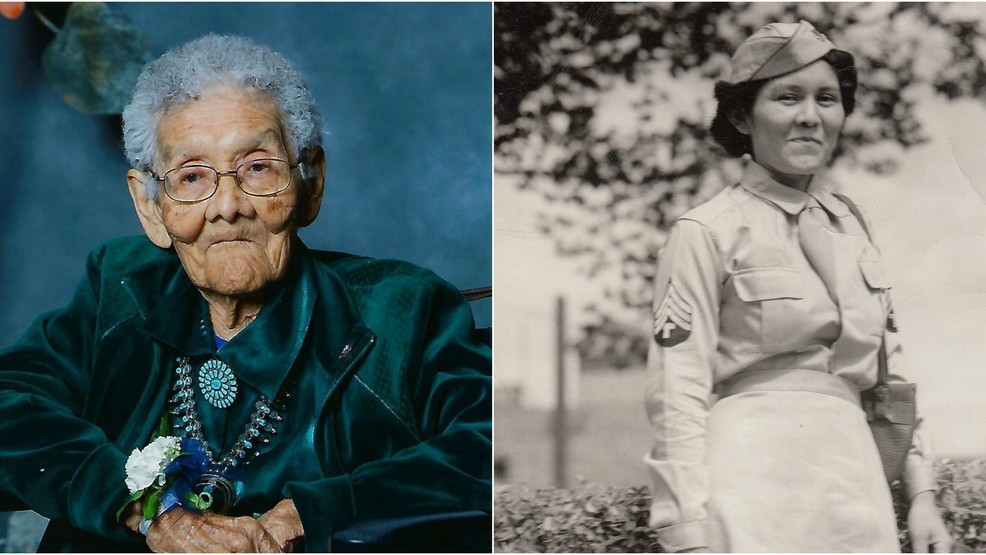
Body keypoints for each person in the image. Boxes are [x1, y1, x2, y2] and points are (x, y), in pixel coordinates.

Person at [0, 34, 491, 552]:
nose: (227, 205)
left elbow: (485, 446)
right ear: (150, 208)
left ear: (311, 182)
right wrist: (147, 510)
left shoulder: (403, 309)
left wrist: (320, 512)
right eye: (191, 177)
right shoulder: (122, 288)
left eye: (258, 167)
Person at [643, 21, 952, 552]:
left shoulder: (853, 231)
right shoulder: (705, 231)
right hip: (751, 479)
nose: (811, 116)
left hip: (855, 479)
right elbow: (677, 391)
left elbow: (891, 379)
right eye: (788, 97)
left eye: (827, 99)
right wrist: (687, 532)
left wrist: (921, 495)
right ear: (742, 114)